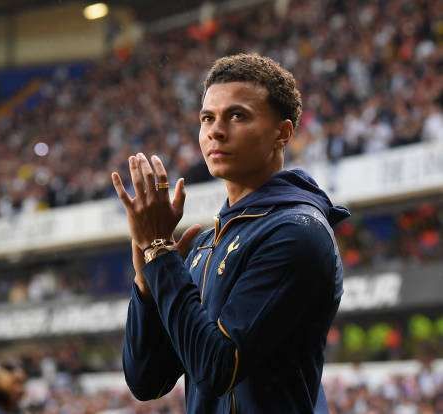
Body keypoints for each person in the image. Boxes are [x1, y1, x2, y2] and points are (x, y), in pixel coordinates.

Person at [112, 53, 350, 413]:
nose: (215, 131)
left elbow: (218, 368)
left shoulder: (297, 232)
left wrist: (159, 252)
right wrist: (147, 282)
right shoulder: (205, 244)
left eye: (237, 115)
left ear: (282, 133)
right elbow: (147, 380)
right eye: (207, 118)